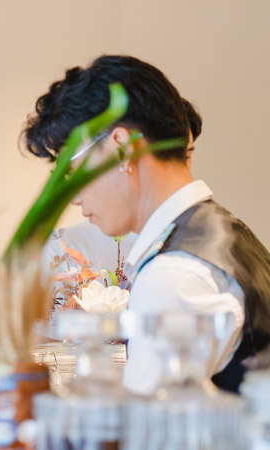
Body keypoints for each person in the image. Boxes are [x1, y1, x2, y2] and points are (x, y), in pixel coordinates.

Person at [23, 54, 270, 394]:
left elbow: (144, 436)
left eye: (73, 171)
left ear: (122, 149)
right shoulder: (226, 235)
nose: (73, 196)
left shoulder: (175, 274)